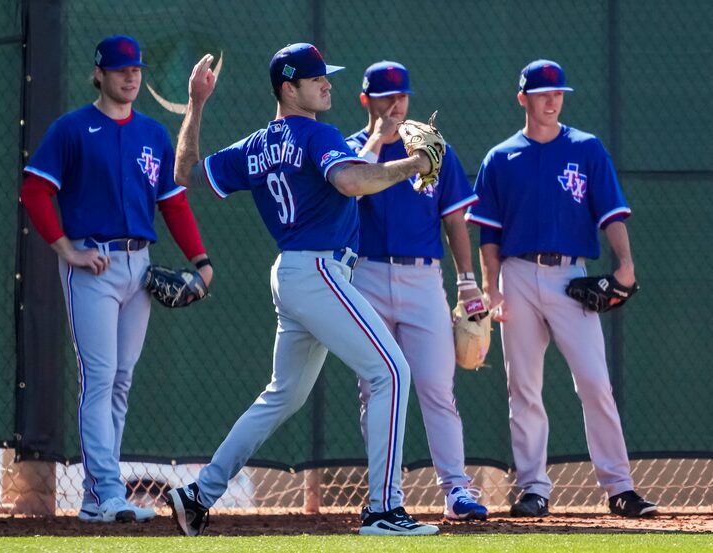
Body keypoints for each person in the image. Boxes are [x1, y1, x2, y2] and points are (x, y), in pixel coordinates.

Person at [165, 43, 440, 537]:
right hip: (318, 270)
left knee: (283, 395)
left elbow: (184, 170)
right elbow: (352, 181)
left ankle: (197, 494)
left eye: (327, 77)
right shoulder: (317, 133)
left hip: (293, 274)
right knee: (393, 373)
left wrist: (197, 103)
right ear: (288, 88)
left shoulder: (255, 145)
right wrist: (413, 165)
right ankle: (383, 510)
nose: (327, 84)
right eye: (316, 79)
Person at [20, 35, 213, 523]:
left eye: (137, 70)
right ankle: (108, 491)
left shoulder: (152, 133)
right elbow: (35, 190)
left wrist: (200, 258)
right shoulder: (73, 129)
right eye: (122, 69)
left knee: (121, 382)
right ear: (100, 74)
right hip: (95, 265)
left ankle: (94, 498)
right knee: (100, 378)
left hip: (139, 267)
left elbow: (172, 201)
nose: (131, 76)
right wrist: (66, 248)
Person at [465, 59, 658, 518]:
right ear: (523, 99)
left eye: (558, 93)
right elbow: (488, 235)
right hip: (517, 274)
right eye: (543, 93)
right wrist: (490, 289)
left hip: (572, 275)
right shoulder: (500, 157)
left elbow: (610, 212)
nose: (552, 100)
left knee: (595, 382)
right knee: (523, 387)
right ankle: (534, 487)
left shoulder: (587, 149)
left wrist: (626, 264)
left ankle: (620, 487)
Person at [346, 61, 488, 521]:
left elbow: (454, 219)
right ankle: (385, 494)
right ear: (365, 100)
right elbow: (354, 188)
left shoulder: (433, 149)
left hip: (424, 278)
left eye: (402, 96)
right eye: (386, 97)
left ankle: (456, 490)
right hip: (366, 274)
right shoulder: (350, 150)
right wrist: (380, 138)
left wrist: (468, 282)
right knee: (376, 387)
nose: (396, 105)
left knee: (435, 385)